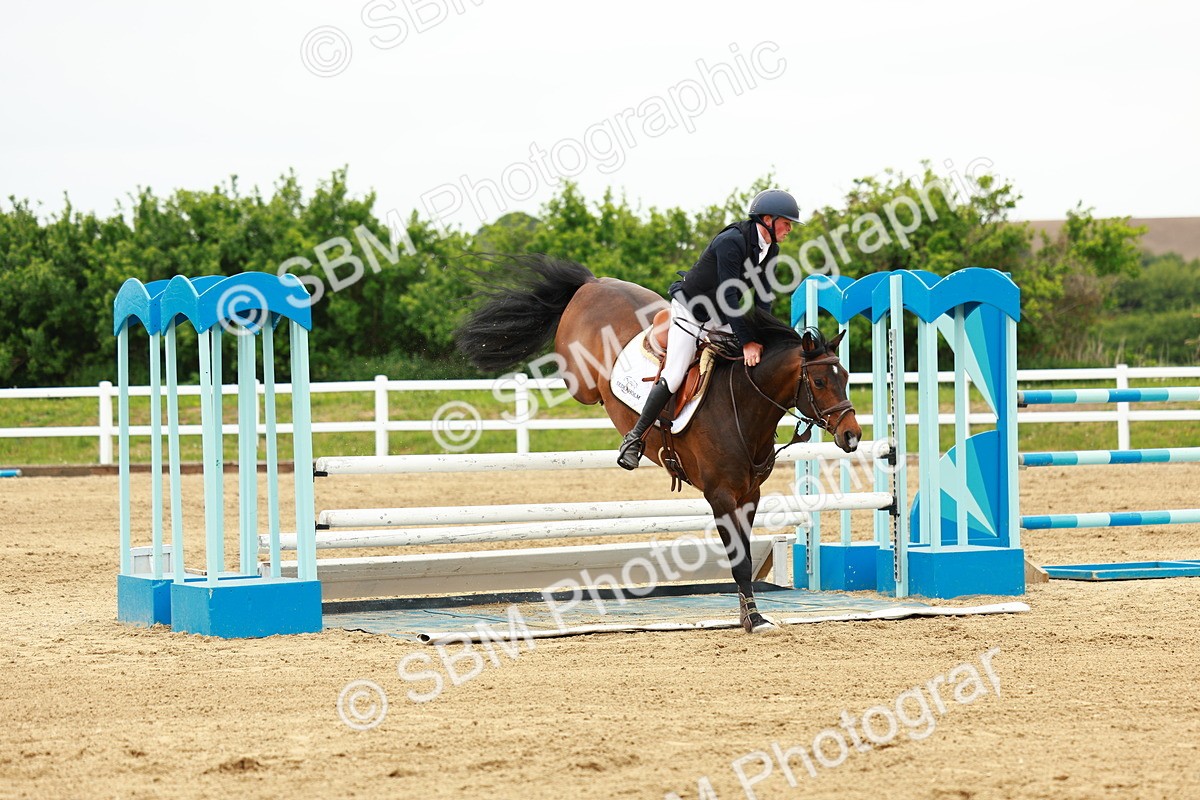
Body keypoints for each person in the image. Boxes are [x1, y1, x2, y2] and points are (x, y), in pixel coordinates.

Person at [617, 188, 802, 470]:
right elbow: (729, 295)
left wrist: (764, 336)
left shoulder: (770, 249)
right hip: (691, 312)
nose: (789, 229)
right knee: (676, 373)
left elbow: (764, 297)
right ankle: (634, 438)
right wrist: (747, 341)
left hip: (719, 316)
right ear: (767, 219)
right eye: (786, 223)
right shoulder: (732, 242)